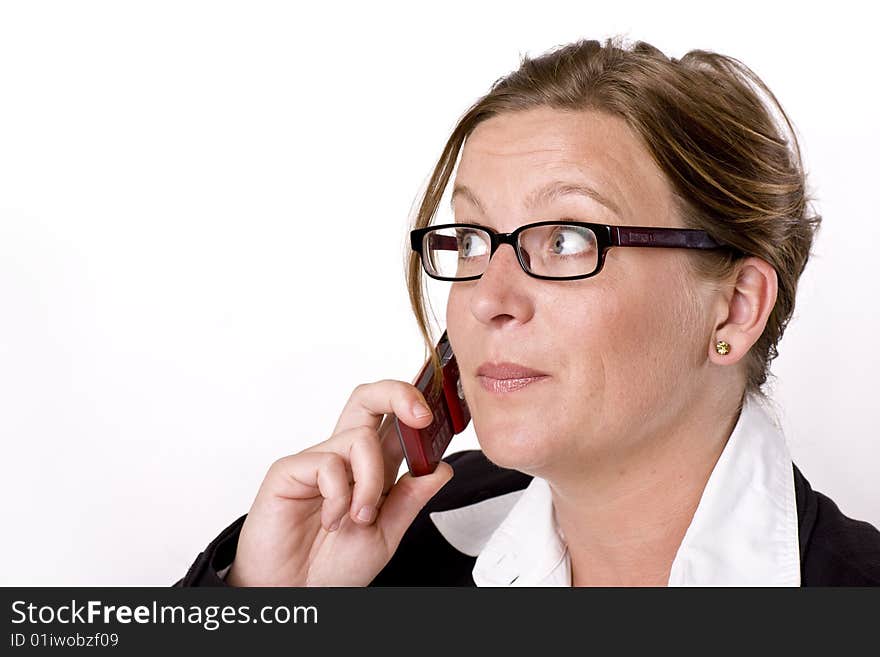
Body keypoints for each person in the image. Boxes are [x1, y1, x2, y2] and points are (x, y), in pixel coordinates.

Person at [175, 36, 880, 587]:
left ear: (734, 308)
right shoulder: (399, 545)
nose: (488, 298)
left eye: (568, 239)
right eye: (472, 238)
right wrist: (268, 602)